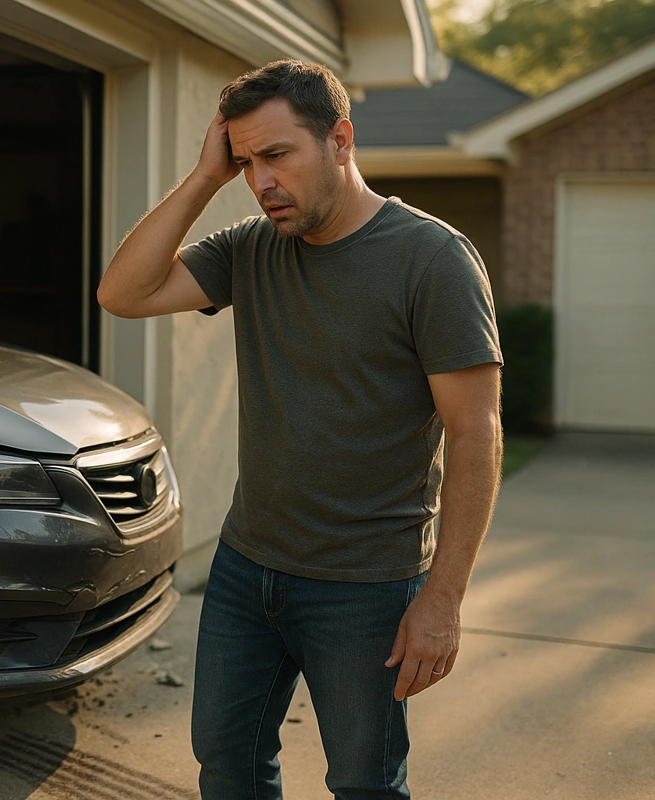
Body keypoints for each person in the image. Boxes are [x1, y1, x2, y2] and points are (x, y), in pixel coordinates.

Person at [97, 60, 503, 799]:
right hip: (247, 567)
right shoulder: (251, 247)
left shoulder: (432, 259)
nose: (260, 182)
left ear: (340, 140)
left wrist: (441, 599)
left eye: (277, 155)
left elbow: (476, 432)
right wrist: (202, 181)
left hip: (368, 585)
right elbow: (121, 294)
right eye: (246, 162)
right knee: (229, 765)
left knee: (364, 783)